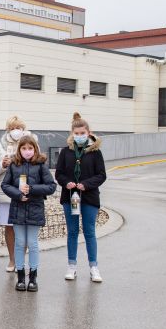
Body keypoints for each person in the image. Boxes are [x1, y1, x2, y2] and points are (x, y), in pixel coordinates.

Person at [55, 112, 107, 283]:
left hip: (89, 197)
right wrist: (67, 183)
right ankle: (71, 266)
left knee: (89, 231)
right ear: (72, 134)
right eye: (76, 133)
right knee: (72, 231)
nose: (79, 136)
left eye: (82, 133)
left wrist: (86, 184)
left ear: (88, 133)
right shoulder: (65, 152)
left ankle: (94, 267)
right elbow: (59, 174)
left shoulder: (95, 152)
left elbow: (101, 175)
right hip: (71, 197)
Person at [1, 135, 57, 292]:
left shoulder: (41, 165)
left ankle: (33, 277)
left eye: (30, 148)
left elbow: (51, 186)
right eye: (24, 148)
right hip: (17, 208)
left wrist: (32, 189)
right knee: (19, 243)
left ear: (35, 149)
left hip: (34, 208)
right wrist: (18, 194)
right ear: (19, 149)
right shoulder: (14, 165)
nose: (27, 151)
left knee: (32, 243)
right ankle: (20, 277)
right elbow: (5, 185)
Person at [0, 116, 37, 272]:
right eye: (12, 128)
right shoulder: (2, 145)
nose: (16, 131)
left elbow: (38, 164)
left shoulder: (31, 143)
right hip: (6, 194)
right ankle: (12, 260)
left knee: (23, 226)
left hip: (24, 191)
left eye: (18, 127)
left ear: (23, 129)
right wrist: (2, 164)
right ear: (8, 130)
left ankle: (20, 260)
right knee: (9, 227)